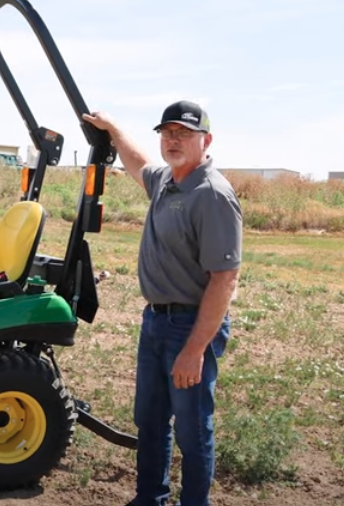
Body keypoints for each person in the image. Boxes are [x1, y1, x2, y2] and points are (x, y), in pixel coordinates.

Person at [82, 100, 242, 506]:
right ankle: (150, 498)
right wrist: (113, 128)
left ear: (206, 140)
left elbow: (224, 280)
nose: (174, 140)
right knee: (150, 421)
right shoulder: (167, 180)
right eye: (168, 133)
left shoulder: (212, 195)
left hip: (190, 327)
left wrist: (194, 350)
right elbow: (137, 163)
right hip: (155, 322)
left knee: (191, 428)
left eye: (184, 134)